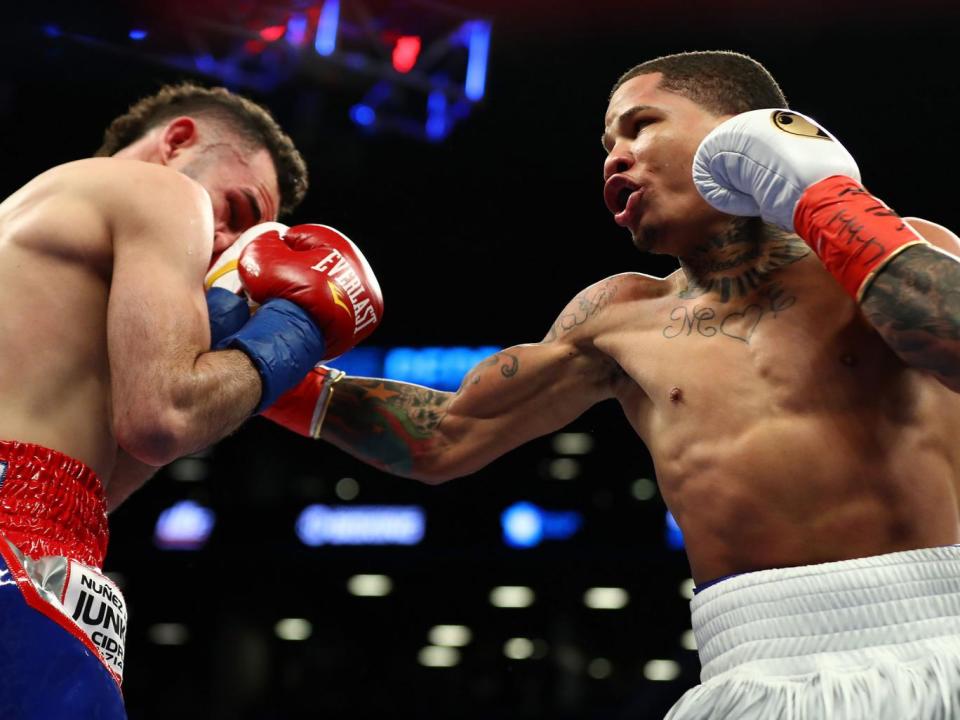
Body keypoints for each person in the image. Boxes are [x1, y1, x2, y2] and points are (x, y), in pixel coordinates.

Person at [264, 51, 960, 718]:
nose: (614, 157)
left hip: (940, 637)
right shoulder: (618, 318)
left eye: (641, 125)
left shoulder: (905, 251)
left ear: (740, 129)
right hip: (749, 669)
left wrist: (825, 197)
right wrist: (266, 368)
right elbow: (445, 437)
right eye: (606, 143)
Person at [0, 82, 382, 718]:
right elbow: (163, 419)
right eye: (236, 207)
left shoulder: (29, 228)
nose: (225, 240)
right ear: (177, 142)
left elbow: (87, 487)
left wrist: (221, 345)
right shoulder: (163, 192)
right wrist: (293, 335)